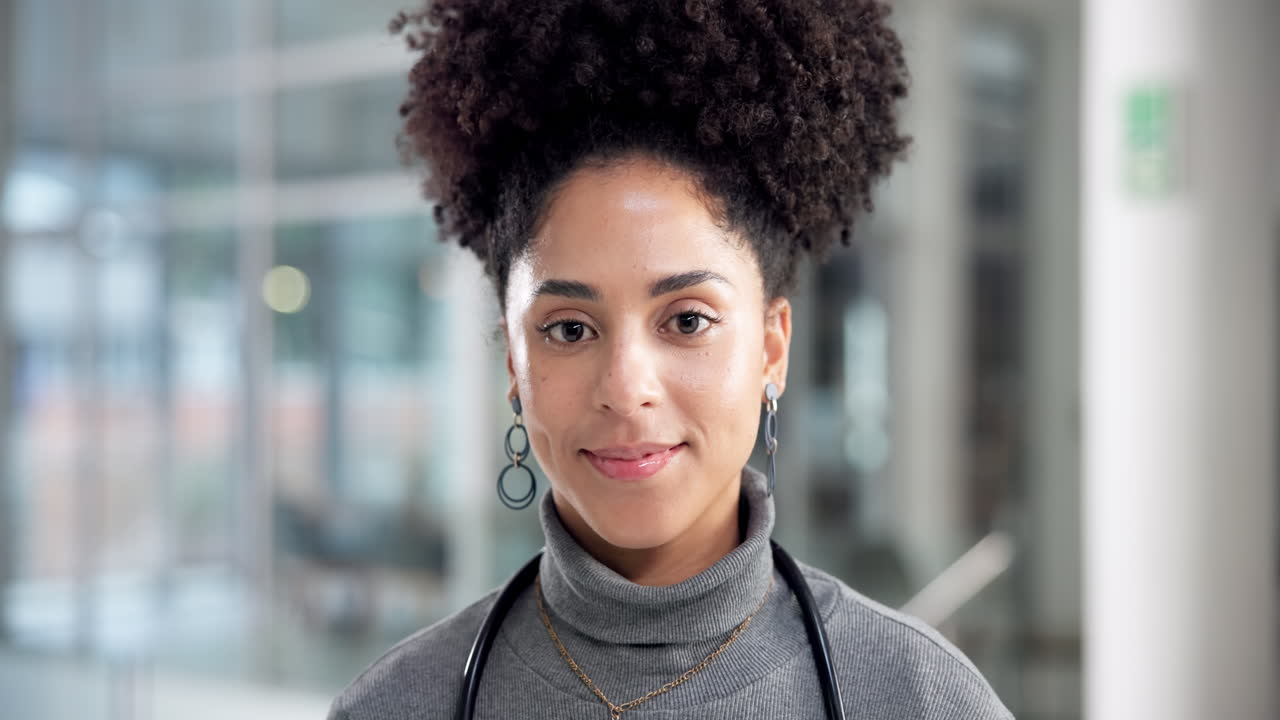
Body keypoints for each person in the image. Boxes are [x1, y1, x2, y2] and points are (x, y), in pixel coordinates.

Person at [329, 1, 1013, 718]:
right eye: (568, 329)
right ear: (513, 364)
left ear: (772, 349)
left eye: (686, 320)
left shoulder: (921, 699)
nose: (626, 389)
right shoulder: (399, 704)